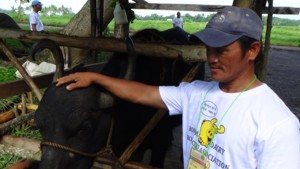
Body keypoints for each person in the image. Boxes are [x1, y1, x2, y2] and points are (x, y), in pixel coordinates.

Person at [56, 6, 300, 169]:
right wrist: (95, 78)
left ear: (253, 50)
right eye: (209, 49)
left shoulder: (278, 124)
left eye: (223, 50)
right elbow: (142, 93)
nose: (211, 58)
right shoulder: (194, 92)